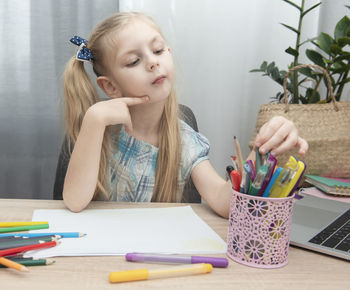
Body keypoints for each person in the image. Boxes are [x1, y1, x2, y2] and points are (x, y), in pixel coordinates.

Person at [62, 12, 308, 218]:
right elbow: (74, 202)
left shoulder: (184, 140)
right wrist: (93, 119)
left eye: (158, 50)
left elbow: (224, 202)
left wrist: (264, 149)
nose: (152, 63)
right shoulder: (100, 132)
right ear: (110, 87)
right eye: (134, 61)